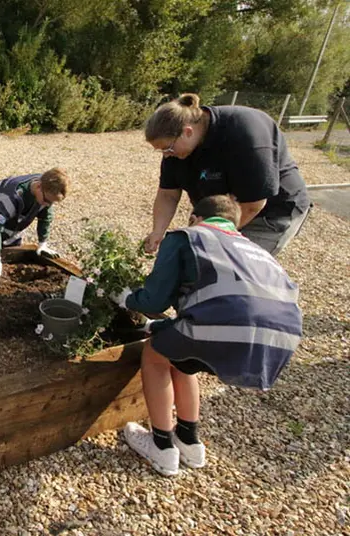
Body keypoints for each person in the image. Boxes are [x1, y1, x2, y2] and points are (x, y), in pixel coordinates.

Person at [110, 195, 302, 476]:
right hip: (281, 339)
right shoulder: (252, 247)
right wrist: (161, 327)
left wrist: (128, 298)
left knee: (155, 354)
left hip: (229, 327)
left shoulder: (189, 236)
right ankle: (190, 441)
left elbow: (154, 302)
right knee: (182, 356)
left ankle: (161, 446)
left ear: (194, 218)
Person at [143, 93, 310, 257]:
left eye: (168, 149)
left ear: (187, 132)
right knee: (197, 263)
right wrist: (158, 232)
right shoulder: (175, 150)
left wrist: (210, 237)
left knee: (234, 271)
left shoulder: (244, 132)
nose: (166, 155)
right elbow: (168, 195)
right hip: (218, 212)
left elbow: (253, 204)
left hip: (268, 214)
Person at [0, 168, 69, 277]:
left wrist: (42, 244)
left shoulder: (46, 191)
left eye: (51, 203)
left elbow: (45, 218)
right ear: (38, 186)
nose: (47, 205)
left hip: (16, 220)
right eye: (47, 201)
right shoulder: (11, 197)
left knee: (12, 253)